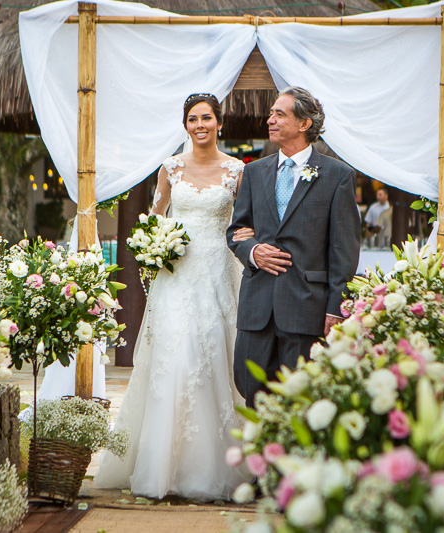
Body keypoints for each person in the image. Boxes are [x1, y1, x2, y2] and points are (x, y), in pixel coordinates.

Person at [94, 94, 250, 501]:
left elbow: (244, 223)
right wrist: (154, 247)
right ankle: (162, 468)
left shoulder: (237, 171)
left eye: (207, 118)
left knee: (217, 355)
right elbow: (154, 219)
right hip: (177, 276)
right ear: (185, 125)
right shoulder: (170, 168)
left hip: (217, 271)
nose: (200, 125)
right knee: (175, 358)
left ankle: (219, 468)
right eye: (193, 119)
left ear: (219, 123)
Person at [227, 87, 361, 408]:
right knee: (252, 394)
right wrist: (253, 252)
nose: (269, 119)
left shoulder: (337, 176)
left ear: (304, 124)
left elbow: (344, 250)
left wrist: (335, 308)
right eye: (271, 113)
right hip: (257, 308)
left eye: (279, 114)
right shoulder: (254, 172)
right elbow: (237, 231)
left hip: (307, 309)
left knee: (301, 403)